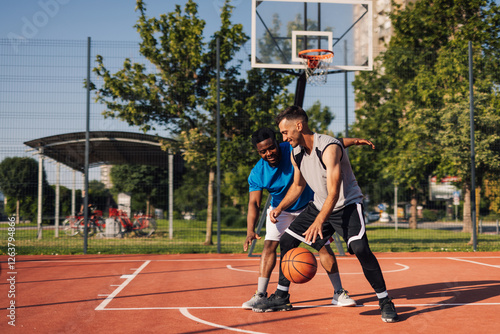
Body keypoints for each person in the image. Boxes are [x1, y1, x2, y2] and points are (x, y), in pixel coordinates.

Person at [253, 106, 399, 323]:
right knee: (287, 240)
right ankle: (282, 296)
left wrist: (319, 221)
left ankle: (385, 301)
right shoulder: (296, 153)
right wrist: (280, 207)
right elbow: (297, 186)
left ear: (299, 126)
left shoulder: (329, 148)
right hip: (320, 205)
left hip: (346, 205)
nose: (283, 138)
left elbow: (334, 191)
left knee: (360, 249)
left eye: (285, 132)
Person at [243, 127, 373, 311]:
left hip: (308, 206)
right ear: (258, 152)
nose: (268, 153)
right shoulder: (257, 173)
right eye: (262, 151)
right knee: (270, 245)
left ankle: (338, 293)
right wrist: (250, 230)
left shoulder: (292, 148)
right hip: (281, 209)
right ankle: (260, 294)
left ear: (277, 143)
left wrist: (355, 141)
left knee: (323, 246)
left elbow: (331, 144)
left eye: (271, 147)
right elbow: (254, 204)